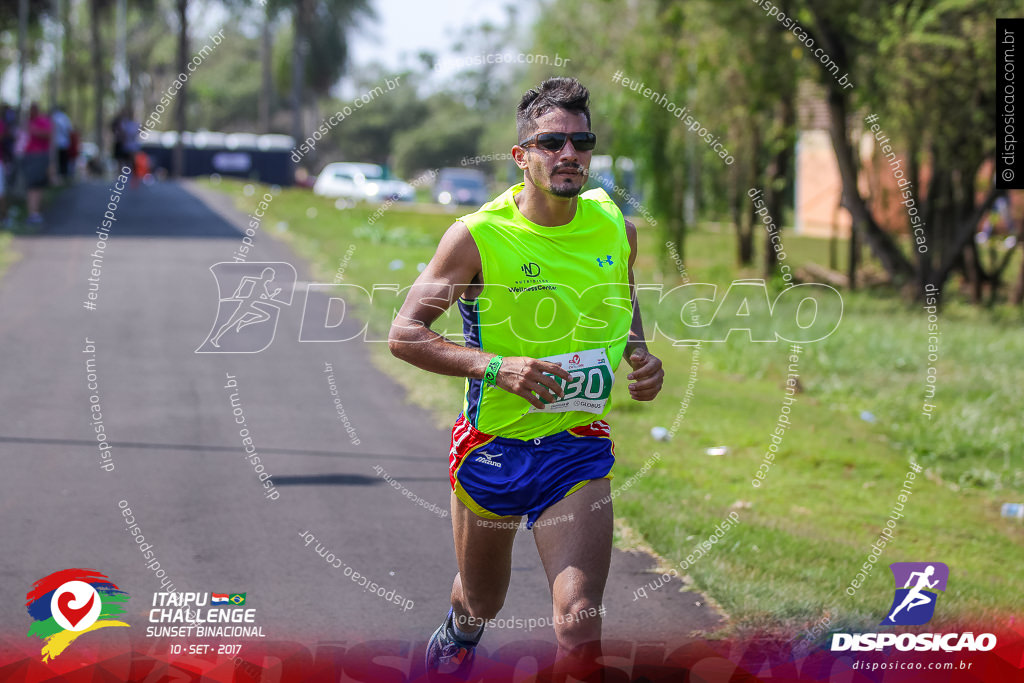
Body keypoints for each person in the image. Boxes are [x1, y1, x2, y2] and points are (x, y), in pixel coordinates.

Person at [388, 77, 664, 677]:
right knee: (483, 599)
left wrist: (639, 351)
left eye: (581, 141)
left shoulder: (614, 223)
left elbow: (624, 287)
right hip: (493, 448)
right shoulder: (478, 237)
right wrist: (496, 366)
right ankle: (461, 628)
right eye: (551, 143)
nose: (569, 154)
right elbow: (404, 334)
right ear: (522, 156)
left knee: (580, 615)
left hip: (575, 446)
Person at [22, 103, 53, 224]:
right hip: (29, 156)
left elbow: (48, 134)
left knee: (37, 185)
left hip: (39, 155)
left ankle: (35, 212)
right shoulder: (27, 122)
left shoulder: (42, 121)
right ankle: (33, 213)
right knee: (32, 185)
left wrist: (35, 131)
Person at [51, 104, 74, 182]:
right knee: (63, 160)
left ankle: (58, 175)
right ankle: (62, 175)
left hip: (55, 143)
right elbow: (69, 129)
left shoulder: (54, 117)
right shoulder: (65, 118)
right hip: (63, 142)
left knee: (57, 160)